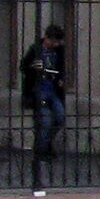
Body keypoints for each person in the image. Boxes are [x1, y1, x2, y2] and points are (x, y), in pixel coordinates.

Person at [18, 24, 70, 168]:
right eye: (53, 41)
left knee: (59, 117)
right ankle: (41, 152)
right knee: (45, 121)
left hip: (53, 91)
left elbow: (61, 68)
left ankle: (45, 144)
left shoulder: (59, 51)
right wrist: (33, 68)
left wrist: (61, 78)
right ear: (47, 38)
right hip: (38, 90)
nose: (55, 45)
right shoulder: (35, 49)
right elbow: (23, 66)